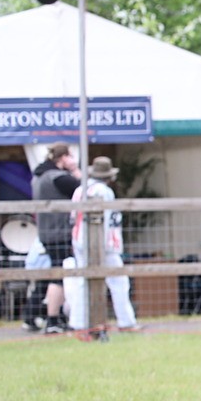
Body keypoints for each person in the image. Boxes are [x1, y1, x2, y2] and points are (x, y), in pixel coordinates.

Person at [69, 156, 141, 332]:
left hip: (79, 240)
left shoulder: (79, 190)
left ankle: (78, 322)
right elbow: (107, 220)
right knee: (119, 282)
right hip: (104, 244)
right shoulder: (105, 192)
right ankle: (126, 322)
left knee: (83, 281)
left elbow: (72, 217)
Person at [30, 143, 82, 334]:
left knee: (53, 273)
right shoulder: (59, 178)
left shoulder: (39, 176)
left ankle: (42, 316)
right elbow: (84, 191)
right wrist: (75, 170)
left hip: (46, 231)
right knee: (59, 275)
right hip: (59, 231)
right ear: (63, 158)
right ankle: (53, 318)